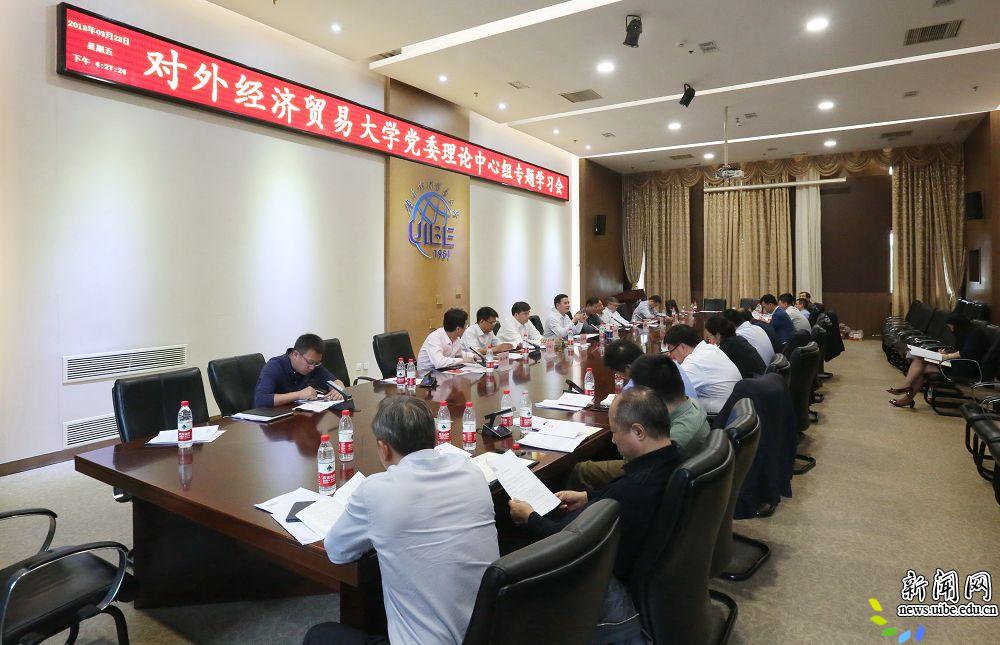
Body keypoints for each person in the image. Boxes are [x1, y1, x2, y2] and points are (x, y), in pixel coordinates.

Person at [307, 397, 498, 645]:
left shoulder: (376, 491)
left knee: (319, 635)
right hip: (490, 632)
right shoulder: (471, 472)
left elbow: (336, 551)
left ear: (384, 447)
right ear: (433, 436)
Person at [508, 387, 684, 638]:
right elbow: (619, 496)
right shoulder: (673, 459)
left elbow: (569, 545)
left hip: (600, 571)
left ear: (638, 432)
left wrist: (530, 518)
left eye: (615, 431)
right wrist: (588, 497)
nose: (612, 440)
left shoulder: (635, 490)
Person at [889, 313, 991, 408]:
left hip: (966, 368)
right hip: (957, 363)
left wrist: (946, 356)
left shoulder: (975, 334)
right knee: (920, 365)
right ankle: (907, 394)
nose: (951, 329)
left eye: (951, 327)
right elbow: (959, 350)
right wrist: (945, 353)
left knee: (920, 362)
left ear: (958, 325)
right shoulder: (965, 333)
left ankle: (907, 390)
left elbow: (966, 353)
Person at [664, 324, 742, 414]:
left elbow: (671, 392)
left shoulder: (694, 361)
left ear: (682, 347)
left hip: (719, 415)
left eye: (671, 350)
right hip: (733, 409)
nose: (671, 355)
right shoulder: (709, 348)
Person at [253, 333, 346, 408]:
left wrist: (339, 389)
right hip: (270, 421)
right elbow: (260, 400)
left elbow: (335, 381)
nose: (312, 367)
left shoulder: (314, 365)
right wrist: (299, 395)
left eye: (316, 363)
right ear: (295, 354)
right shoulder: (274, 366)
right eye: (310, 362)